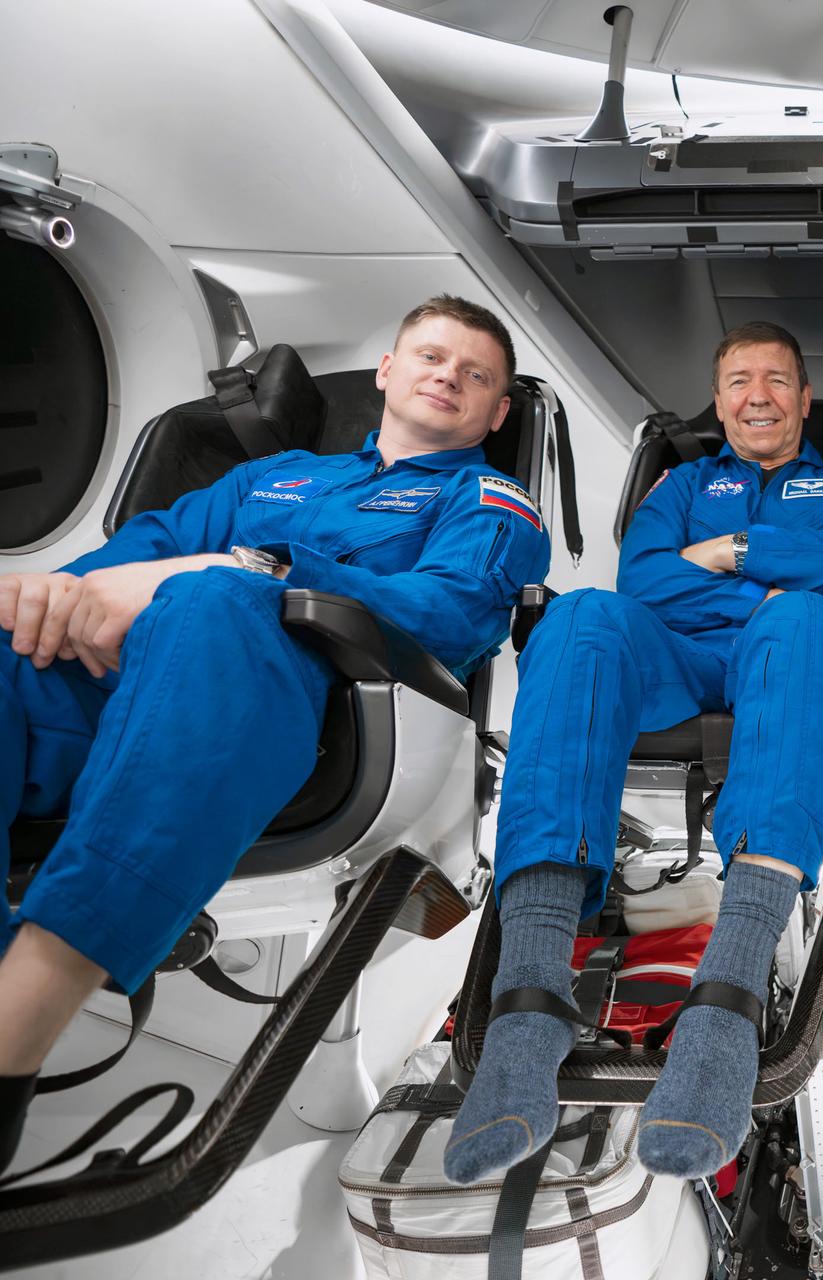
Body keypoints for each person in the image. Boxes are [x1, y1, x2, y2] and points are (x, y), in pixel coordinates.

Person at [0, 295, 550, 1172]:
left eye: (474, 374)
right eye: (430, 356)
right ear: (387, 374)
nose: (447, 375)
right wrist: (54, 598)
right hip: (123, 687)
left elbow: (449, 613)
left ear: (496, 412)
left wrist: (253, 569)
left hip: (319, 716)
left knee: (215, 598)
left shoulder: (490, 499)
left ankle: (29, 1005)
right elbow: (142, 552)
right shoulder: (277, 476)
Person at [444, 321, 823, 1184]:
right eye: (737, 380)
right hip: (675, 652)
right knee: (580, 615)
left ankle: (725, 999)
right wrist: (780, 568)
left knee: (807, 616)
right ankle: (530, 997)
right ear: (720, 398)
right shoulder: (682, 481)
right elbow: (645, 578)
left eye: (775, 380)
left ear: (805, 400)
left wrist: (735, 552)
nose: (756, 395)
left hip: (789, 647)